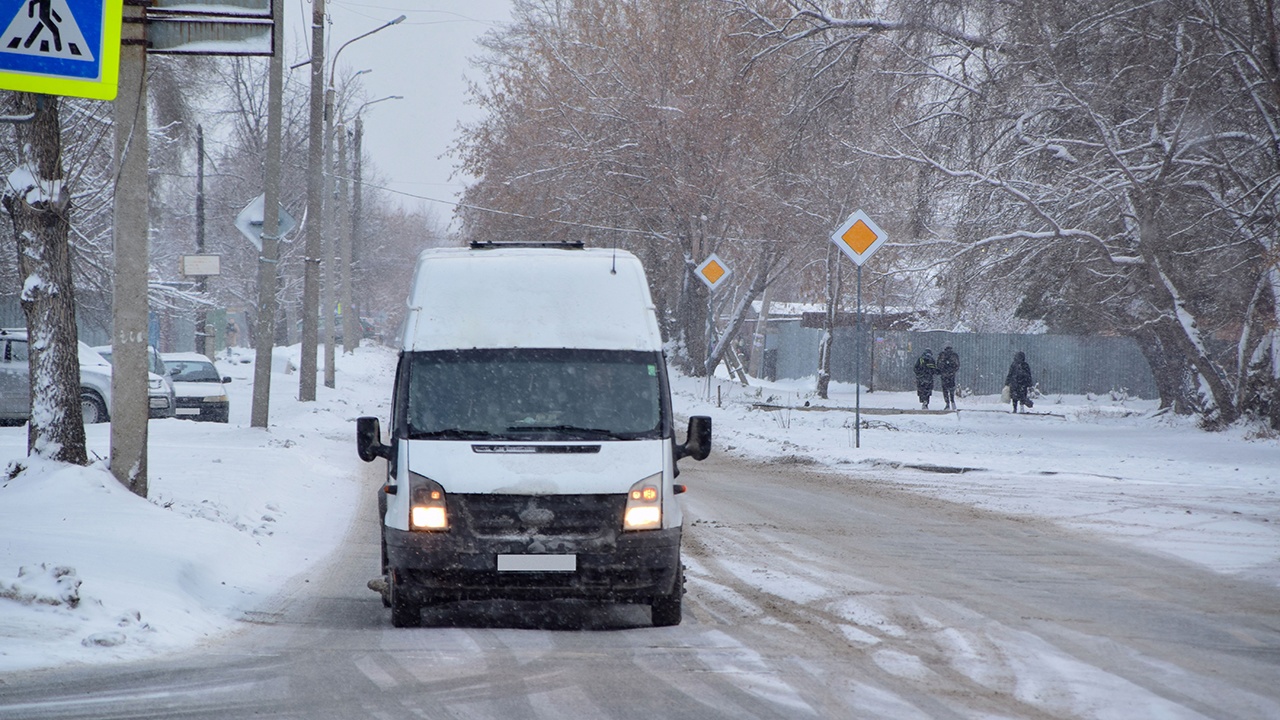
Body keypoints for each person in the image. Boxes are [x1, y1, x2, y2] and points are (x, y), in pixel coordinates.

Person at [937, 345, 960, 410]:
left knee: (945, 390)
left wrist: (942, 371)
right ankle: (952, 401)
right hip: (951, 375)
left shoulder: (942, 355)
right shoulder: (954, 355)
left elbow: (938, 364)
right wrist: (953, 371)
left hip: (944, 375)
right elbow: (957, 365)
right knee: (951, 389)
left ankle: (947, 403)